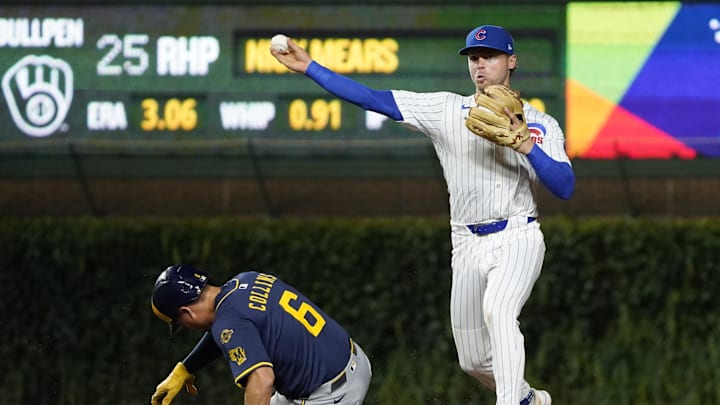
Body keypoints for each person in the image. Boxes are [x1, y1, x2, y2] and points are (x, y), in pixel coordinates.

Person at [270, 25, 574, 405]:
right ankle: (529, 399)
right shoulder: (447, 109)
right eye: (474, 58)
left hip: (518, 235)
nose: (480, 65)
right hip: (465, 243)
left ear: (511, 61)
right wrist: (311, 67)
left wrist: (528, 146)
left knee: (499, 311)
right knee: (473, 360)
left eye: (490, 57)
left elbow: (564, 186)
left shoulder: (540, 124)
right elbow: (373, 99)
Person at [149, 264, 372, 405]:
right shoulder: (246, 280)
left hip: (331, 395)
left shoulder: (228, 322)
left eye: (180, 323)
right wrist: (185, 369)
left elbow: (263, 380)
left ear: (186, 312)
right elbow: (230, 330)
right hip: (350, 361)